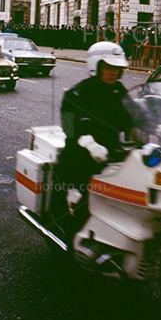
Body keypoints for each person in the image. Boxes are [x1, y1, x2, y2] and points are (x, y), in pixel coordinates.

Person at [55, 42, 132, 238]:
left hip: (113, 153)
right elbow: (69, 128)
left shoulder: (119, 92)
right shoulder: (76, 94)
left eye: (117, 68)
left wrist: (151, 127)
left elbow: (132, 118)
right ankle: (73, 238)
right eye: (108, 67)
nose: (113, 73)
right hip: (79, 157)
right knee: (89, 199)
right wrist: (89, 143)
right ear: (96, 66)